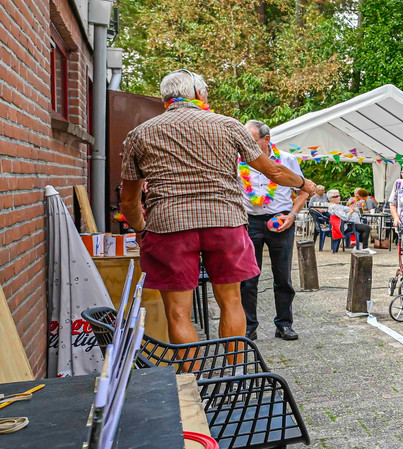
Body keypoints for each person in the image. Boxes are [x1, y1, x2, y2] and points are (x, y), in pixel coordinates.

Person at [119, 70, 319, 344]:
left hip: (169, 224)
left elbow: (129, 201)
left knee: (178, 313)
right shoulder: (228, 125)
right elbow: (272, 170)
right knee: (231, 301)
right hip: (225, 221)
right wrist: (303, 183)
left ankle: (192, 372)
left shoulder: (140, 134)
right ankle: (232, 366)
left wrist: (141, 229)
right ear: (198, 94)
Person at [239, 119, 307, 341]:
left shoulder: (287, 160)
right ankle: (249, 326)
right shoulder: (238, 162)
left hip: (281, 221)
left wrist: (292, 215)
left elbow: (303, 191)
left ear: (266, 139)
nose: (245, 145)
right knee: (249, 278)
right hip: (250, 222)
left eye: (251, 140)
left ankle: (284, 324)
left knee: (283, 277)